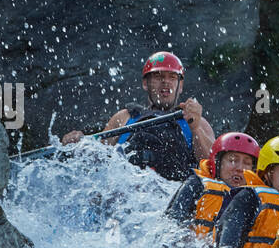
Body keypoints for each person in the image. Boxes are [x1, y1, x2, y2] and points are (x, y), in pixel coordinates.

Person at [62, 51, 215, 180]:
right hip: (129, 196)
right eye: (158, 77)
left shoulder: (197, 121)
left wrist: (195, 129)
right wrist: (80, 145)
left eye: (172, 77)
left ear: (180, 86)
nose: (165, 82)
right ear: (145, 83)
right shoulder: (123, 118)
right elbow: (98, 162)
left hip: (173, 197)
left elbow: (214, 169)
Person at [163, 131, 262, 248]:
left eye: (247, 163)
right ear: (217, 163)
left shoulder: (254, 201)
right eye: (232, 160)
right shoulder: (197, 185)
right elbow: (169, 228)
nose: (240, 168)